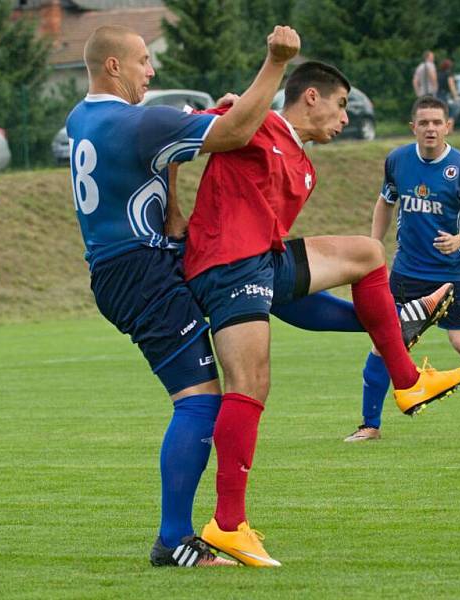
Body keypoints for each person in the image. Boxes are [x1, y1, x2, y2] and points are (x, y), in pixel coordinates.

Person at [182, 63, 460, 567]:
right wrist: (227, 111)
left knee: (366, 253)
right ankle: (227, 525)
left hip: (261, 259)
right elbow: (178, 135)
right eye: (341, 106)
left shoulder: (305, 165)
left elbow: (287, 289)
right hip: (227, 263)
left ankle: (405, 377)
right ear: (311, 97)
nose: (345, 118)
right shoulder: (252, 122)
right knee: (250, 384)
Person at [65, 23, 301, 568]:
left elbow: (158, 152)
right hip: (140, 273)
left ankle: (389, 327)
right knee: (198, 400)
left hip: (131, 266)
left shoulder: (84, 117)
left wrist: (190, 143)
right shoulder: (138, 122)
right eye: (144, 60)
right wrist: (276, 63)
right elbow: (239, 132)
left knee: (258, 293)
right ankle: (172, 540)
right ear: (114, 67)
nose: (153, 70)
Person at [344, 95, 460, 442]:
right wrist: (373, 246)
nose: (430, 128)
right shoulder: (397, 160)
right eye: (423, 122)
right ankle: (370, 425)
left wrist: (459, 239)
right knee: (383, 343)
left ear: (448, 127)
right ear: (413, 127)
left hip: (453, 274)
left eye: (437, 122)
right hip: (406, 273)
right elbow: (385, 202)